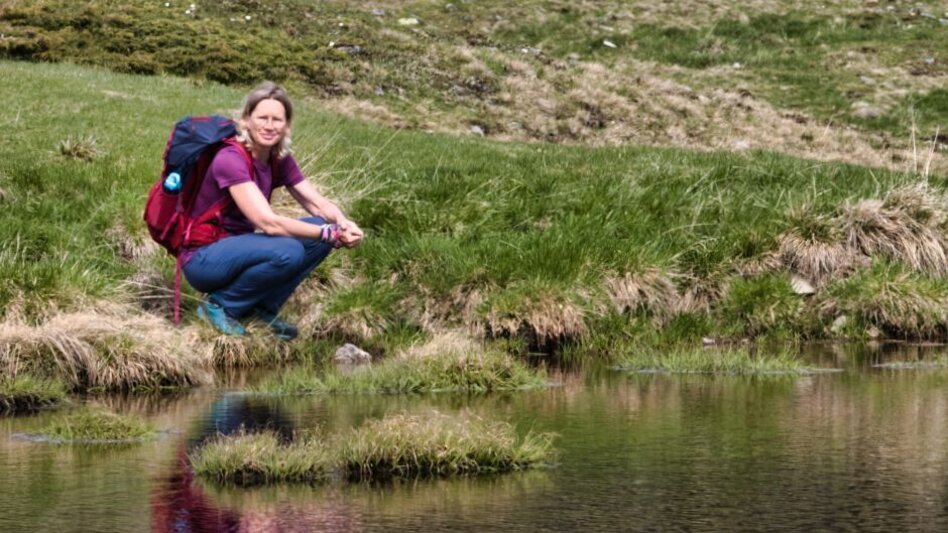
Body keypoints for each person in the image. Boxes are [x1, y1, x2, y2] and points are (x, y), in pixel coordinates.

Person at [181, 81, 363, 340]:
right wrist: (328, 233)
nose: (269, 126)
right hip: (203, 258)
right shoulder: (230, 158)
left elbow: (317, 204)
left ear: (287, 125)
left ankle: (261, 308)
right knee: (289, 249)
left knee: (316, 234)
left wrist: (342, 223)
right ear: (246, 120)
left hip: (238, 249)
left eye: (277, 119)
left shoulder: (278, 159)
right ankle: (220, 305)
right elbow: (268, 223)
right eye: (262, 118)